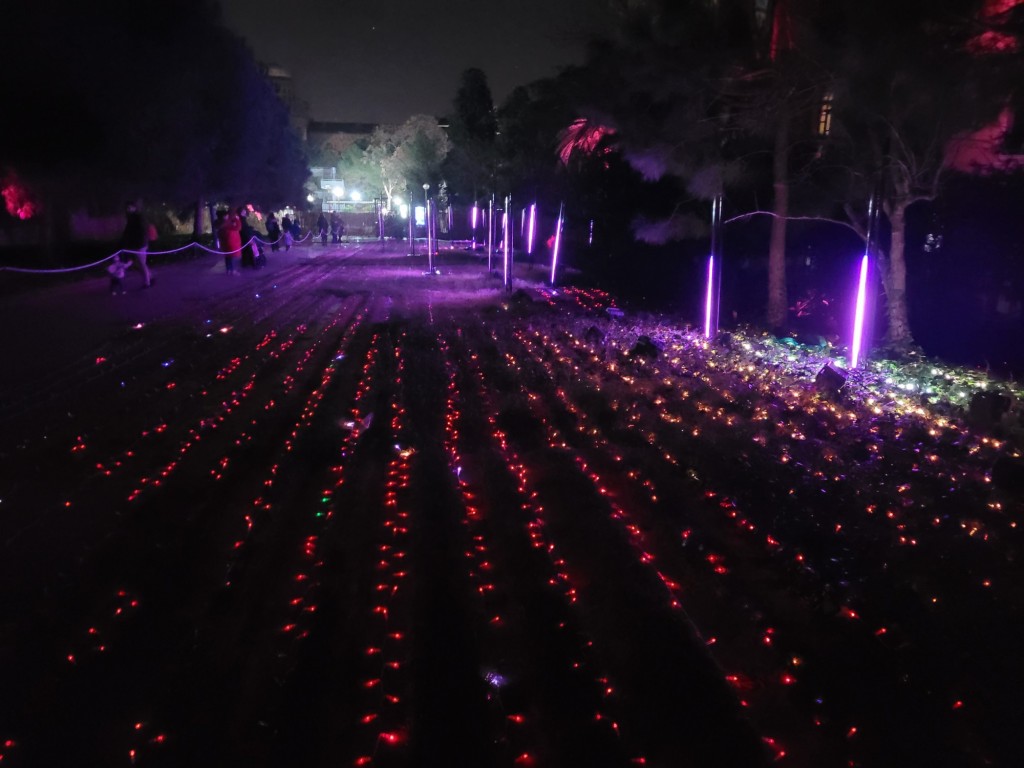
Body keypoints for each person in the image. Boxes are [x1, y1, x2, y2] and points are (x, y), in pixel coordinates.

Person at [120, 202, 153, 288]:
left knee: (141, 264)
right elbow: (128, 232)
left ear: (134, 208)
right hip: (137, 244)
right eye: (127, 208)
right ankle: (149, 277)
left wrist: (140, 244)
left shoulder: (138, 217)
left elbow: (142, 232)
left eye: (129, 207)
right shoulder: (131, 218)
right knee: (140, 263)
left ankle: (147, 282)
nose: (127, 209)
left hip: (139, 244)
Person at [217, 208, 242, 274]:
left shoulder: (220, 223)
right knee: (233, 257)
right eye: (226, 215)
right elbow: (238, 227)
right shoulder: (226, 223)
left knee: (228, 257)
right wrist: (236, 219)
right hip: (232, 242)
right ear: (224, 216)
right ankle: (233, 270)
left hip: (225, 243)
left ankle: (228, 270)